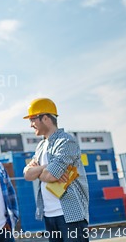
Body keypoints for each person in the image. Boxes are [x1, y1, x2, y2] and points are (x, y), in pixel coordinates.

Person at [23, 98, 89, 242]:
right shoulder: (40, 146)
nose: (31, 125)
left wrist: (41, 172)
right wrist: (46, 167)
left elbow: (51, 175)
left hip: (71, 215)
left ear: (45, 118)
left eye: (33, 119)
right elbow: (27, 174)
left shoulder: (66, 141)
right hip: (49, 215)